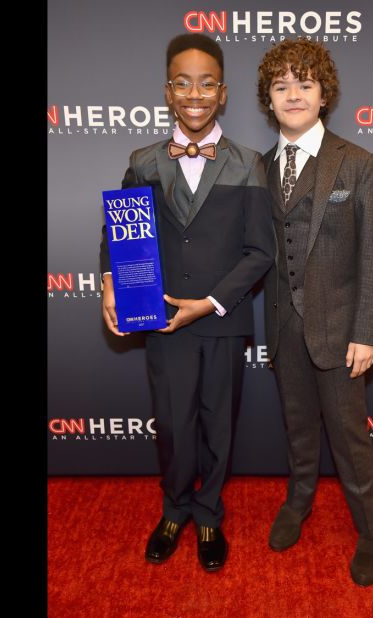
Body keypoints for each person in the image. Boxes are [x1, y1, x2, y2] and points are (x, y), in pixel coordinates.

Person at [99, 33, 275, 573]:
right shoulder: (143, 159)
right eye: (182, 83)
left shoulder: (248, 163)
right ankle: (174, 508)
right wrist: (109, 279)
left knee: (218, 426)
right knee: (173, 425)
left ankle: (208, 515)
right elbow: (120, 235)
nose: (193, 94)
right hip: (162, 319)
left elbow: (259, 251)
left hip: (220, 320)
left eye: (205, 84)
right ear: (168, 92)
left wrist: (211, 302)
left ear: (221, 94)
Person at [256, 39, 373, 586]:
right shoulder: (258, 167)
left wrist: (367, 332)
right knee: (297, 431)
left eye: (304, 84)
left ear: (323, 94)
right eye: (282, 85)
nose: (293, 94)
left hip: (340, 332)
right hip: (284, 329)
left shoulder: (357, 162)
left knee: (349, 440)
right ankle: (299, 502)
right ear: (268, 98)